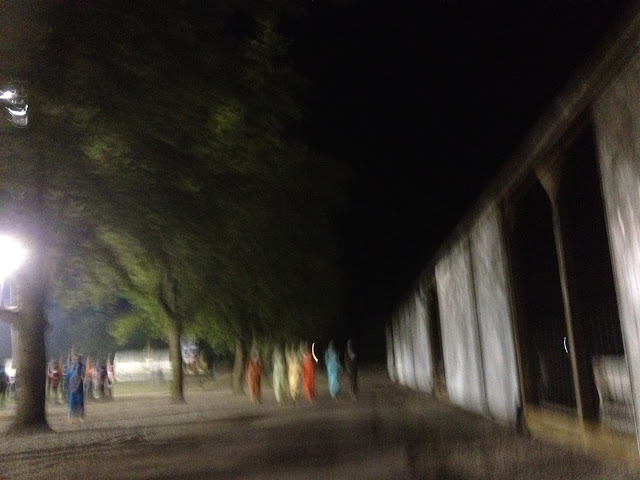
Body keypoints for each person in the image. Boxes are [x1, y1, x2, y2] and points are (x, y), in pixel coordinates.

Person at [66, 354, 85, 421]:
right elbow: (68, 375)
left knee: (80, 401)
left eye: (78, 359)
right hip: (71, 386)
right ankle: (70, 417)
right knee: (71, 402)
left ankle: (81, 416)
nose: (77, 360)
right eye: (75, 359)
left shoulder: (81, 366)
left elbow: (82, 374)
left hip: (79, 386)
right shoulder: (70, 367)